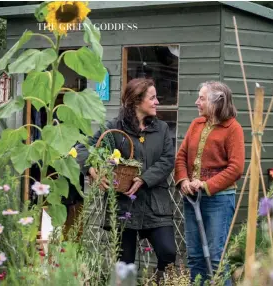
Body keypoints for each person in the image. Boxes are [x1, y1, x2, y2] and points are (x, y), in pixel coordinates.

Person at [76, 78, 176, 280]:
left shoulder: (162, 128)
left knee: (168, 252)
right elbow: (82, 149)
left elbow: (167, 160)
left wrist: (143, 179)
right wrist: (92, 171)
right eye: (153, 98)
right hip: (124, 207)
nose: (157, 102)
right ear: (136, 101)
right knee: (124, 265)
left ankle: (157, 282)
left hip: (155, 204)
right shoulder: (115, 128)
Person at [174, 81, 245, 285]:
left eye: (202, 98)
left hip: (219, 201)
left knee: (216, 260)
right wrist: (184, 180)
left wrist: (205, 185)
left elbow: (236, 168)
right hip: (192, 198)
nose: (197, 102)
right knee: (195, 258)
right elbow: (181, 156)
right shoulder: (196, 125)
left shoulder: (233, 129)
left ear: (217, 102)